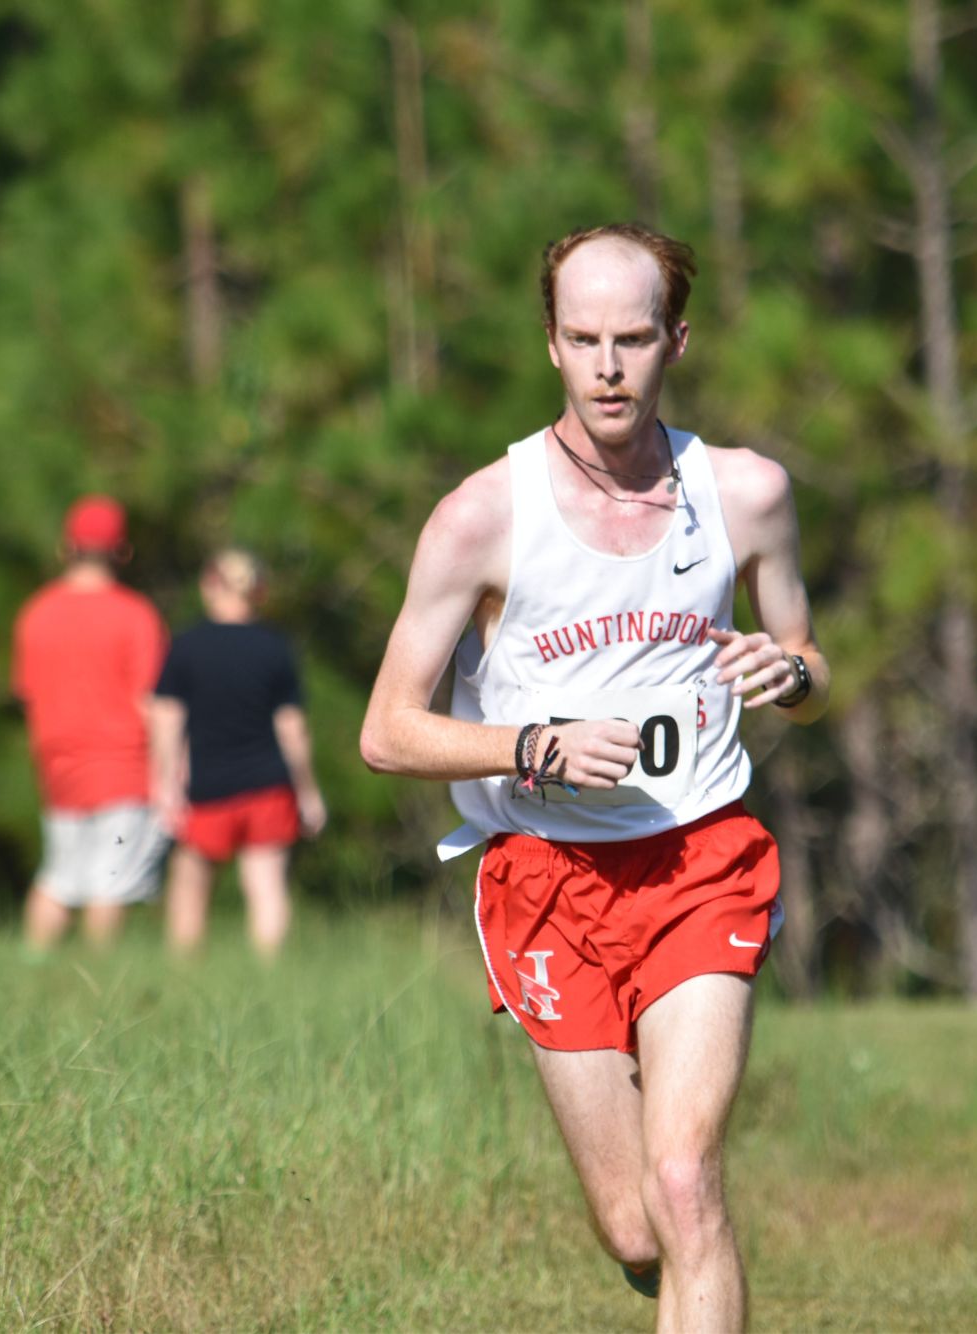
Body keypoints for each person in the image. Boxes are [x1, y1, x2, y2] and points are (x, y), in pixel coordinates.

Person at [359, 222, 827, 1333]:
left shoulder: (746, 492)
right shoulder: (482, 513)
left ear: (676, 337)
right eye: (582, 339)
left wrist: (789, 670)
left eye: (630, 337)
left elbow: (809, 661)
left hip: (700, 858)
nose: (607, 366)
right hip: (545, 879)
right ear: (550, 344)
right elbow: (385, 729)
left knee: (682, 1178)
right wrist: (534, 744)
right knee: (632, 1225)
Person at [149, 549, 326, 961]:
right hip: (268, 785)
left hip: (208, 787)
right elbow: (292, 729)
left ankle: (182, 975)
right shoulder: (275, 648)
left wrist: (165, 784)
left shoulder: (187, 646)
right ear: (259, 591)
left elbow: (166, 720)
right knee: (267, 887)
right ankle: (269, 976)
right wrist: (308, 790)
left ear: (209, 586)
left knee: (190, 885)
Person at [11, 495, 170, 953]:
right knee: (110, 882)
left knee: (59, 877)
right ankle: (95, 989)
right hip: (123, 768)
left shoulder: (36, 613)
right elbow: (151, 702)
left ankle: (31, 968)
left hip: (58, 767)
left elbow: (26, 697)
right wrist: (172, 768)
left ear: (68, 547)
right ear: (122, 550)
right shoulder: (134, 614)